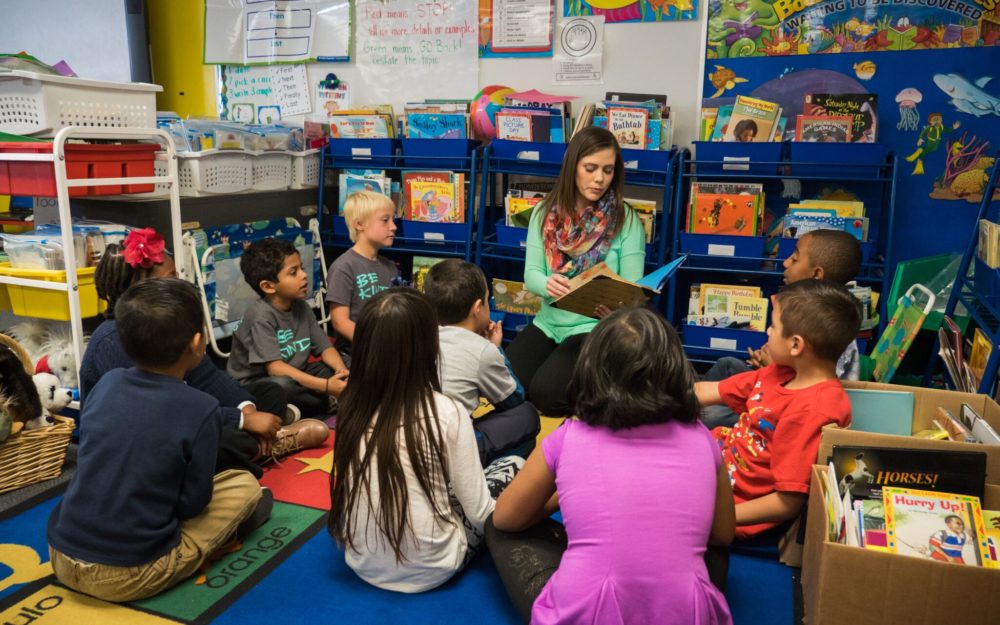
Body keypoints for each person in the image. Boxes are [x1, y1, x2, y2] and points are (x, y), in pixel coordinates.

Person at [486, 306, 734, 624]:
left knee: (498, 526)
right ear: (676, 369)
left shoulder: (569, 435)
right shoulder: (702, 438)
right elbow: (723, 535)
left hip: (587, 613)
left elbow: (507, 519)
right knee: (706, 552)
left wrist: (564, 493)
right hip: (683, 613)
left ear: (590, 369)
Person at [48, 279, 269, 602]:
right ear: (197, 344)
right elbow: (193, 504)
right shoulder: (201, 408)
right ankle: (221, 537)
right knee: (244, 485)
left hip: (61, 556)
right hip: (129, 574)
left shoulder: (108, 382)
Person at [328, 288, 524, 593]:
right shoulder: (446, 411)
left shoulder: (351, 404)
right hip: (435, 567)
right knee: (514, 464)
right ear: (429, 347)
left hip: (361, 563)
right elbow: (482, 513)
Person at [81, 229, 321, 476]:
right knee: (207, 439)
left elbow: (207, 375)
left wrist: (246, 409)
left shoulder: (169, 320)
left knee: (270, 392)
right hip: (146, 441)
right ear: (141, 288)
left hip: (186, 409)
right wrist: (240, 420)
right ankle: (265, 445)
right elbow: (163, 412)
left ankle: (253, 445)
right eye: (171, 277)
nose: (180, 283)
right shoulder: (113, 341)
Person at [695, 280, 862, 539]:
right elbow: (708, 391)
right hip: (714, 465)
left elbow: (786, 503)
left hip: (730, 508)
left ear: (796, 345)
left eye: (773, 326)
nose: (768, 332)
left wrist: (718, 517)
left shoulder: (814, 410)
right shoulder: (780, 373)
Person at [506, 126, 645, 416]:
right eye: (591, 168)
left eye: (608, 170)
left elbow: (635, 290)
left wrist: (620, 310)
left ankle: (606, 392)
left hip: (592, 326)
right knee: (510, 387)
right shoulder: (545, 211)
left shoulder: (625, 217)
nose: (599, 179)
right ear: (573, 167)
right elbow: (531, 274)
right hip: (548, 321)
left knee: (547, 396)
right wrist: (547, 283)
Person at [701, 228, 864, 429]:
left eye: (795, 259)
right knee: (726, 364)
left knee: (709, 414)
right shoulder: (801, 309)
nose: (786, 263)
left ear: (816, 274)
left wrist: (769, 366)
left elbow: (809, 386)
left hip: (788, 404)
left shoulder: (831, 324)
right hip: (774, 382)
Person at [423, 259, 540, 465]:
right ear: (477, 307)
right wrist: (495, 349)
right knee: (526, 415)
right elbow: (513, 399)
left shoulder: (419, 334)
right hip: (450, 452)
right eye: (488, 299)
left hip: (412, 440)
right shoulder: (482, 350)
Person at [228, 237, 349, 418]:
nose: (304, 275)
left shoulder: (301, 306)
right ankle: (325, 402)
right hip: (259, 382)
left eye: (302, 268)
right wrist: (325, 386)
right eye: (293, 272)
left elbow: (325, 347)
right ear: (268, 286)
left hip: (296, 372)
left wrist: (342, 373)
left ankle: (305, 408)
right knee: (281, 387)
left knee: (347, 362)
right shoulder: (260, 316)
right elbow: (275, 369)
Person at [326, 189, 400, 351]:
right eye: (385, 220)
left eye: (393, 220)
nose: (393, 227)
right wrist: (376, 344)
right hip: (357, 352)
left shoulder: (390, 267)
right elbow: (340, 322)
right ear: (359, 224)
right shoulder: (343, 267)